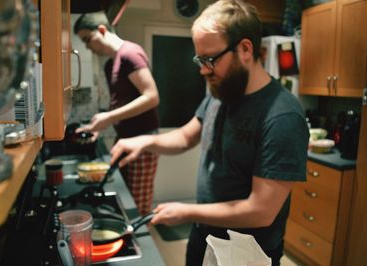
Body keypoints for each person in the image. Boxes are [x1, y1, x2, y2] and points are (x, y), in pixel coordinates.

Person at [110, 0, 309, 265]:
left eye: (210, 59)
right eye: (199, 59)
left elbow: (261, 211)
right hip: (204, 236)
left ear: (245, 49)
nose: (203, 70)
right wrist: (142, 142)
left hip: (245, 253)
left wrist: (188, 211)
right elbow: (184, 137)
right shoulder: (222, 93)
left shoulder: (282, 116)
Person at [73, 12, 160, 215]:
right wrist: (100, 125)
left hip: (143, 140)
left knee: (137, 206)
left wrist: (109, 117)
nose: (87, 47)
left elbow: (152, 96)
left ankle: (142, 243)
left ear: (102, 30)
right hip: (124, 139)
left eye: (87, 39)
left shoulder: (130, 53)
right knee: (124, 198)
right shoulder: (111, 64)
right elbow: (120, 105)